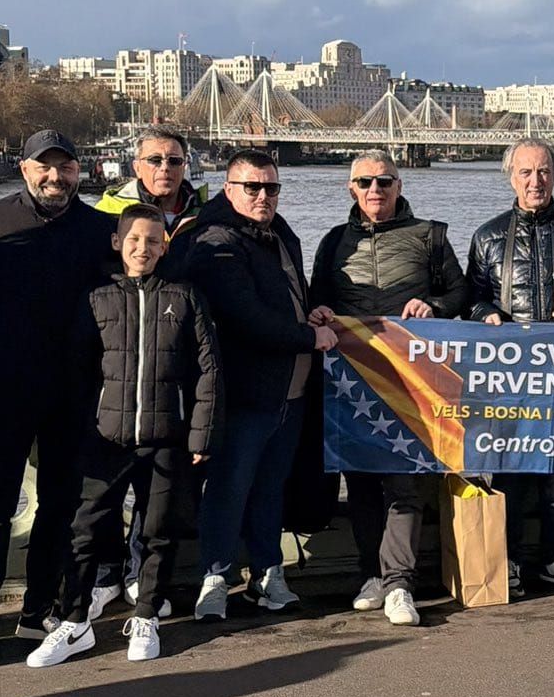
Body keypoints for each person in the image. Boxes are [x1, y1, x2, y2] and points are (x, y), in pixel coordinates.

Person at [29, 206, 222, 667]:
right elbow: (77, 370)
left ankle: (147, 614)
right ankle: (74, 622)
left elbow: (207, 371)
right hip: (106, 437)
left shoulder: (185, 296)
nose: (143, 248)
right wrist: (79, 429)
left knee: (157, 531)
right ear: (118, 243)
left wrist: (200, 436)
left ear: (165, 247)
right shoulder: (97, 297)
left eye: (153, 241)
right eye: (134, 239)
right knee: (83, 530)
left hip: (165, 436)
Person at [0, 125, 117, 666]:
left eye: (65, 166)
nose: (56, 176)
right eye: (44, 166)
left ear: (79, 171)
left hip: (74, 390)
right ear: (24, 170)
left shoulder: (101, 229)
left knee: (61, 505)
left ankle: (36, 609)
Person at [308, 149, 468, 627]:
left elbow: (461, 293)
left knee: (405, 477)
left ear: (399, 185)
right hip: (351, 377)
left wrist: (434, 306)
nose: (375, 190)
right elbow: (319, 299)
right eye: (365, 182)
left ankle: (400, 582)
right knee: (359, 477)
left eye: (385, 181)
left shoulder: (431, 236)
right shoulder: (334, 241)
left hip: (413, 377)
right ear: (351, 189)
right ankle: (370, 574)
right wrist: (317, 314)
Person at [183, 150, 336, 618]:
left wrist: (310, 311)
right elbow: (244, 317)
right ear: (229, 189)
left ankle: (268, 572)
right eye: (252, 187)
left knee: (271, 487)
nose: (263, 196)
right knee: (229, 487)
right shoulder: (215, 240)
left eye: (271, 187)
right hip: (246, 391)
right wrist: (310, 335)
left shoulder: (280, 232)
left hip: (290, 391)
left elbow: (289, 295)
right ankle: (215, 574)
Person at [466, 137, 554, 595]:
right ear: (511, 177)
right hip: (512, 376)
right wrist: (484, 313)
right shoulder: (487, 236)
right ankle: (505, 559)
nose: (535, 181)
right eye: (526, 172)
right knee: (508, 469)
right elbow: (471, 295)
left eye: (543, 171)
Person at [88, 126, 210, 621]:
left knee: (158, 503)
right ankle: (103, 577)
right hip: (116, 376)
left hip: (173, 374)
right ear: (136, 165)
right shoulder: (103, 214)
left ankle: (143, 578)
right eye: (155, 159)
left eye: (175, 160)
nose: (165, 168)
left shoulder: (208, 216)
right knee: (100, 495)